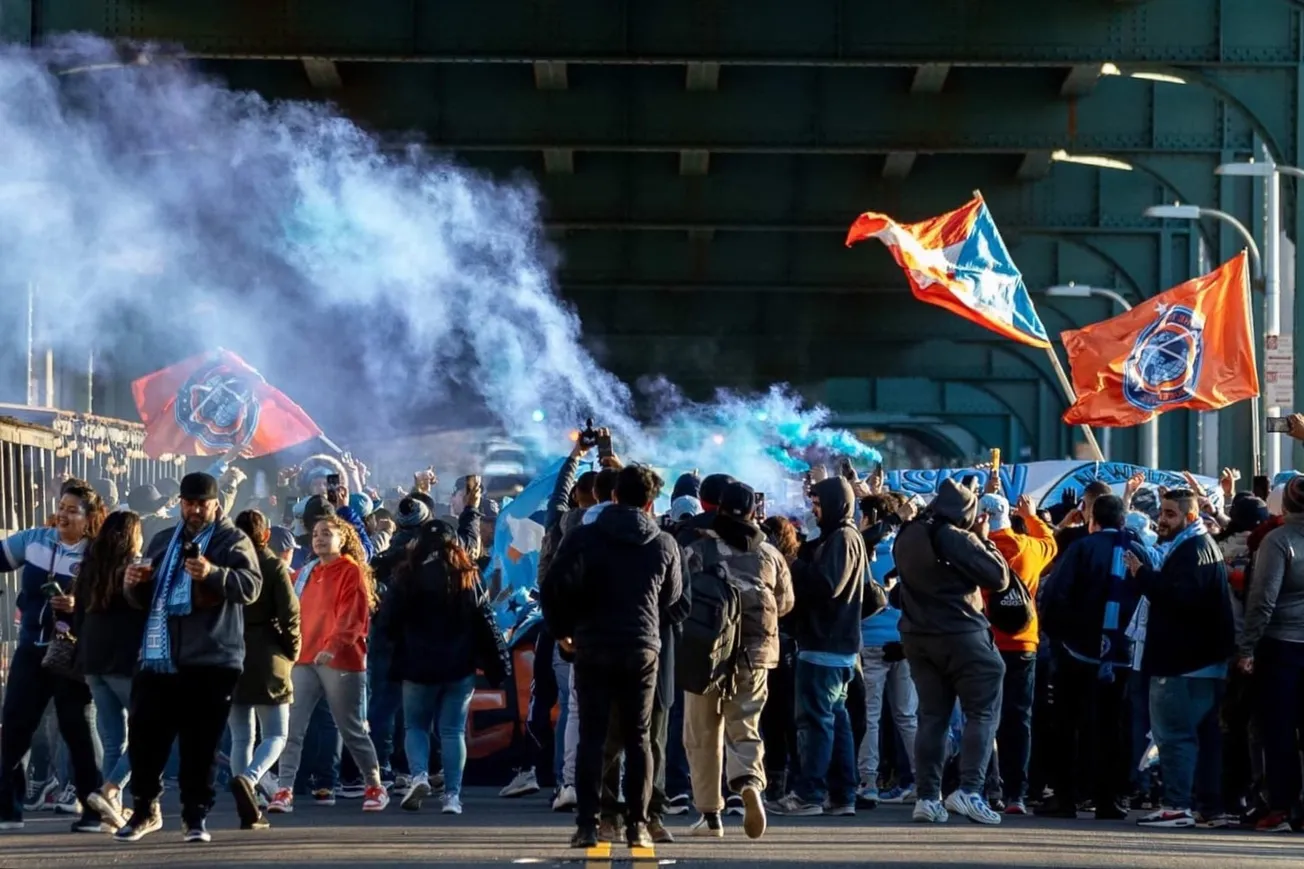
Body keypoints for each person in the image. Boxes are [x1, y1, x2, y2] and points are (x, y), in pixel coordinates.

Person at [542, 464, 684, 850]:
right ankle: (638, 823)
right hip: (642, 646)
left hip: (593, 643)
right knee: (639, 738)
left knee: (592, 735)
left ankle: (589, 823)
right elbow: (672, 598)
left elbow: (553, 585)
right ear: (650, 502)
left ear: (614, 496)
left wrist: (563, 632)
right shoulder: (663, 543)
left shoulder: (585, 537)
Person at [116, 472, 263, 844]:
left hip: (213, 657)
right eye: (189, 502)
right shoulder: (165, 539)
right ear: (180, 502)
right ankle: (145, 809)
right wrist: (132, 583)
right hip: (158, 656)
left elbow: (251, 587)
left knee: (201, 744)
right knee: (145, 736)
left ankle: (195, 816)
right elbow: (146, 601)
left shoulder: (233, 540)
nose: (195, 510)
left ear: (216, 504)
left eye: (202, 503)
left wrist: (213, 573)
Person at [892, 478, 1009, 825]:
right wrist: (983, 539)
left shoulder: (909, 532)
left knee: (932, 717)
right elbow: (998, 577)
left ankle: (928, 797)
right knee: (982, 713)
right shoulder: (954, 536)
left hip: (917, 636)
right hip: (962, 633)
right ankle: (970, 790)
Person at [682, 482, 793, 840]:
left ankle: (710, 816)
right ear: (752, 512)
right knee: (745, 724)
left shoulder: (700, 548)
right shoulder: (770, 554)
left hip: (707, 653)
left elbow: (679, 593)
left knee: (702, 733)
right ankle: (748, 784)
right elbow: (786, 601)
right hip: (756, 653)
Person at [0, 483, 107, 834]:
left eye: (73, 510)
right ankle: (8, 810)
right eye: (61, 506)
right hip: (32, 647)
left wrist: (80, 605)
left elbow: (111, 599)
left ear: (89, 519)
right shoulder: (35, 540)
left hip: (73, 653)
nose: (63, 514)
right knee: (15, 726)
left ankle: (93, 810)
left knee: (77, 728)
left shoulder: (97, 554)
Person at [382, 520, 510, 814]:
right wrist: (496, 663)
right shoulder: (468, 575)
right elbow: (485, 620)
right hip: (459, 666)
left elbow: (388, 621)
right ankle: (452, 797)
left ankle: (419, 776)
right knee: (452, 731)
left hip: (416, 666)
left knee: (415, 726)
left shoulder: (407, 575)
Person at [1125, 489, 1234, 829]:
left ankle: (1177, 804)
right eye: (1162, 512)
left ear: (1189, 517)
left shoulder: (1192, 549)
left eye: (1171, 514)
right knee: (1200, 738)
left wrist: (1143, 575)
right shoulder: (1198, 546)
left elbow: (1179, 599)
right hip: (1200, 661)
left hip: (1183, 663)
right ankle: (1207, 806)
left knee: (1174, 736)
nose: (1162, 519)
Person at [1037, 494, 1148, 821]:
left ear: (1091, 519)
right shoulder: (1137, 550)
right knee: (1113, 726)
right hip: (1122, 654)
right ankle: (1110, 797)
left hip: (1077, 651)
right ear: (1123, 520)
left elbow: (1056, 595)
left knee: (1069, 724)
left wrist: (1059, 636)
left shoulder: (1081, 548)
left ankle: (1066, 796)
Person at [268, 516, 389, 814]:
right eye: (316, 534)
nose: (319, 538)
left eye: (327, 534)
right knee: (292, 728)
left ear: (343, 538)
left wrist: (333, 645)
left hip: (342, 660)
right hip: (304, 659)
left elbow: (354, 615)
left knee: (351, 728)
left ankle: (374, 785)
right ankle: (284, 790)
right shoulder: (307, 571)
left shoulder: (351, 571)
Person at [771, 477, 867, 818]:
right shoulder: (846, 537)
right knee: (835, 720)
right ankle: (842, 794)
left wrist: (793, 564)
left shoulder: (842, 538)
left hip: (823, 644)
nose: (814, 510)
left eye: (818, 504)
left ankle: (808, 794)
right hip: (839, 645)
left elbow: (827, 584)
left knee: (814, 721)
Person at [977, 493, 1056, 815]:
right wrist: (1032, 515)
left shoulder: (974, 550)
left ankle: (982, 787)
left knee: (982, 717)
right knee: (1018, 719)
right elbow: (1050, 541)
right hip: (1023, 643)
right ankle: (1016, 794)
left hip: (984, 642)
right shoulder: (1031, 549)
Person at [1236, 476, 1304, 832]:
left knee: (1278, 732)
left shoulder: (1278, 541)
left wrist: (1247, 647)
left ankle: (1281, 806)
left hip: (1281, 647)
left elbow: (1263, 600)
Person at [74, 510, 149, 832]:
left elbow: (78, 616)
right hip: (124, 661)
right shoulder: (134, 568)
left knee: (114, 737)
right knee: (149, 733)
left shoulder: (90, 567)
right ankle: (111, 789)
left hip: (92, 661)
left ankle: (111, 811)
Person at [228, 510, 302, 831]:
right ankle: (250, 779)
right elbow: (290, 614)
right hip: (268, 653)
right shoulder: (272, 566)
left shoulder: (227, 566)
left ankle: (250, 804)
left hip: (230, 653)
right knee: (276, 734)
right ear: (266, 535)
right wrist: (292, 650)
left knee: (241, 736)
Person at [855, 492, 920, 808]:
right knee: (907, 716)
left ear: (869, 518)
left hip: (870, 643)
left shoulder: (861, 551)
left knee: (870, 716)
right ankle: (924, 781)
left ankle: (867, 782)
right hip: (904, 642)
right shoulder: (908, 549)